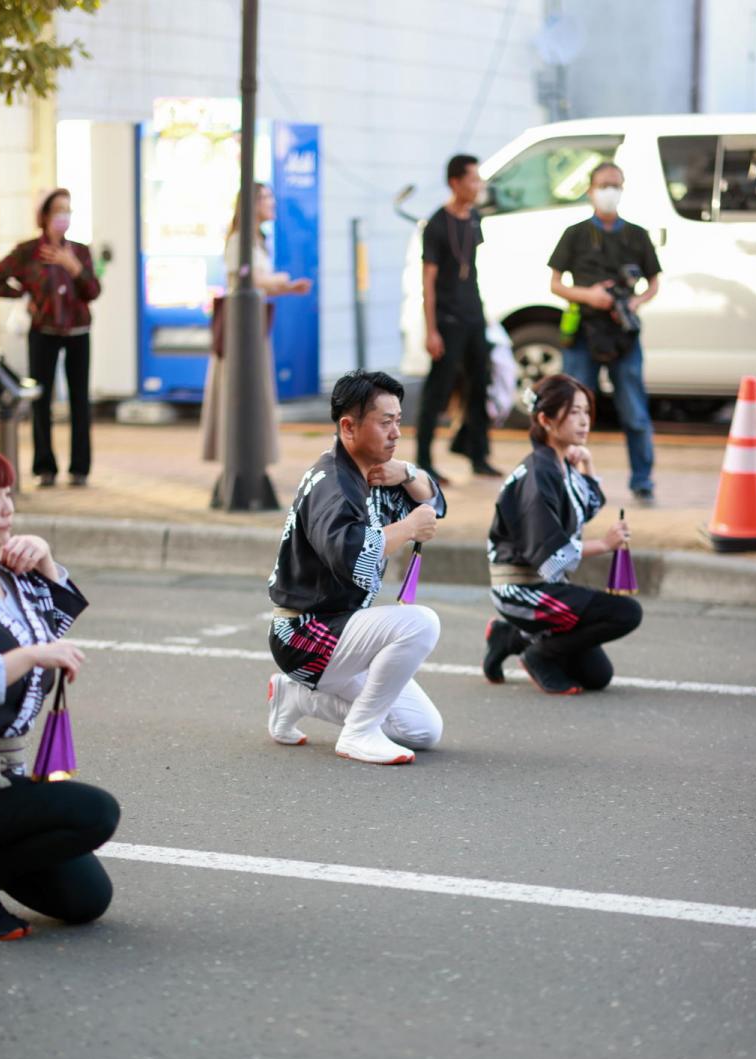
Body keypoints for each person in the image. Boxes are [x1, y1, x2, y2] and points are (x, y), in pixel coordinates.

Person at [267, 369, 446, 765]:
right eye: (385, 422)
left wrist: (410, 473)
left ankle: (295, 697)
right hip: (304, 633)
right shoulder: (333, 483)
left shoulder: (376, 471)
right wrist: (408, 527)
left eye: (398, 420)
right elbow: (351, 556)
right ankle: (359, 733)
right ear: (349, 427)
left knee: (423, 732)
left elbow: (436, 507)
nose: (396, 432)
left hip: (345, 633)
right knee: (421, 622)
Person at [0, 448, 119, 940]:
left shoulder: (3, 576)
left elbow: (54, 619)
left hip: (5, 781)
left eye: (7, 496)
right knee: (96, 811)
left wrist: (44, 559)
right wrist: (30, 659)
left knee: (86, 900)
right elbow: (35, 651)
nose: (7, 510)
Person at [483, 373, 642, 695]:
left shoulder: (557, 463)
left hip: (546, 587)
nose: (584, 421)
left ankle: (510, 637)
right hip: (522, 590)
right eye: (573, 413)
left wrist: (587, 466)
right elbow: (549, 552)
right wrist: (606, 544)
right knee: (626, 612)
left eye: (586, 411)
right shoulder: (539, 474)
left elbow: (587, 504)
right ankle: (538, 654)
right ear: (545, 419)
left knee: (598, 676)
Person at [548, 162, 661, 504]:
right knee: (572, 409)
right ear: (590, 190)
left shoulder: (636, 234)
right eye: (604, 185)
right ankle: (565, 474)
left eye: (616, 185)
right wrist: (591, 296)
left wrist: (634, 303)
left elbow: (654, 282)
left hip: (623, 334)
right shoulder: (575, 234)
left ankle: (642, 480)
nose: (610, 191)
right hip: (584, 330)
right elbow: (555, 284)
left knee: (634, 410)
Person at [0, 188, 101, 488]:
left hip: (78, 331)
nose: (64, 216)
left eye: (68, 210)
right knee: (41, 399)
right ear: (45, 215)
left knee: (79, 400)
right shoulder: (28, 252)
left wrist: (73, 267)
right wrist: (22, 293)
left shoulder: (80, 251)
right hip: (43, 332)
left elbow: (93, 291)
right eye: (59, 209)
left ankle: (80, 469)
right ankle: (45, 467)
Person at [201, 184, 312, 464]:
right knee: (240, 386)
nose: (272, 203)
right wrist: (281, 281)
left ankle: (254, 453)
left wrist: (287, 288)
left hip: (255, 322)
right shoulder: (240, 240)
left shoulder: (257, 240)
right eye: (266, 198)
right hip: (241, 326)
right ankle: (237, 452)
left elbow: (258, 283)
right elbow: (247, 281)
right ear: (251, 204)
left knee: (256, 386)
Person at [416, 154, 500, 484]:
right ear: (455, 182)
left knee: (480, 383)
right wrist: (431, 329)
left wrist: (483, 314)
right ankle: (424, 458)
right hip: (448, 319)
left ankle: (478, 453)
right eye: (473, 180)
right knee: (439, 388)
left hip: (473, 315)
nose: (478, 186)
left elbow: (471, 269)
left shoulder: (474, 218)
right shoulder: (437, 224)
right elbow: (428, 282)